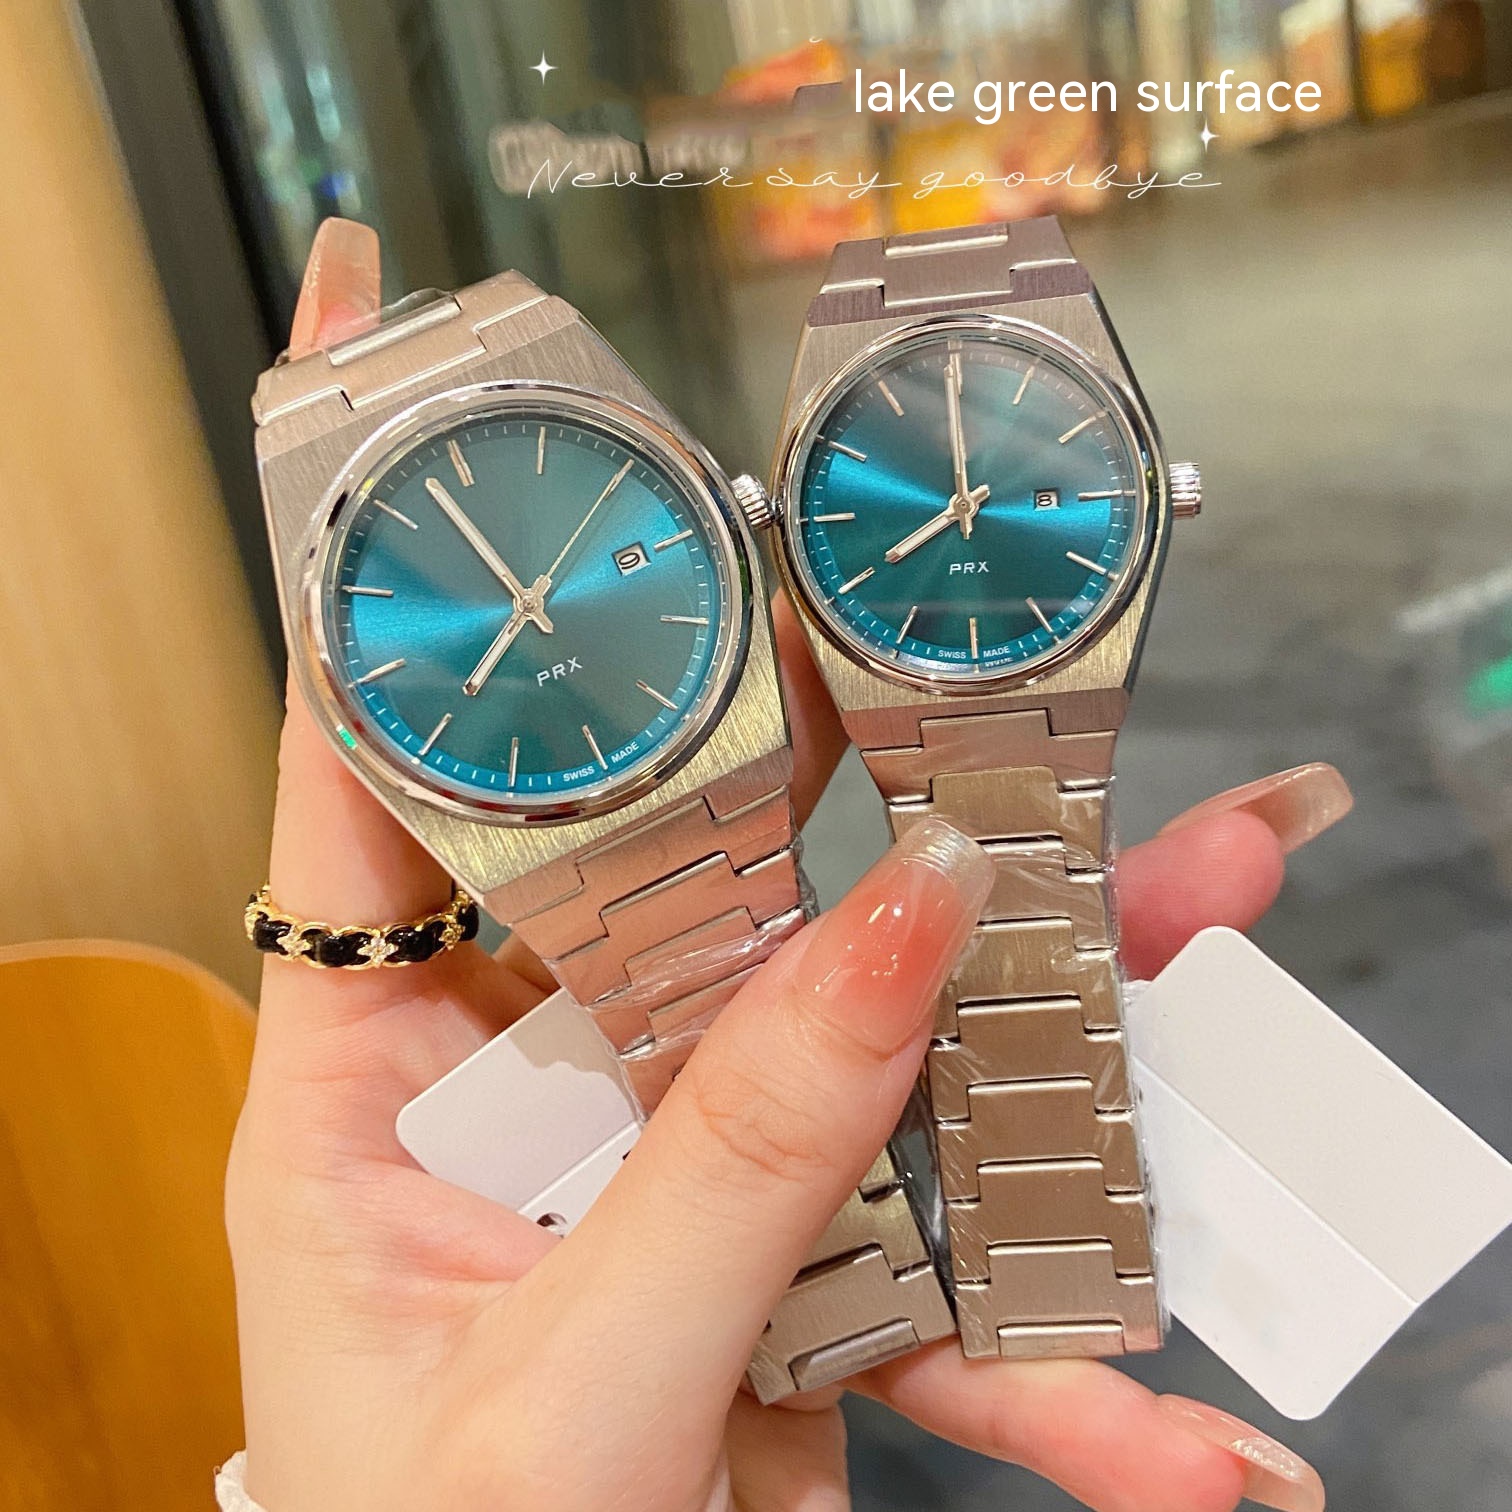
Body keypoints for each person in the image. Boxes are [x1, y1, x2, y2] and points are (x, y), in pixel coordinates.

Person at [221, 218, 1346, 1512]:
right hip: (570, 832)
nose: (530, 607)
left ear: (731, 518)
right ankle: (870, 1298)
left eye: (553, 582)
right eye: (500, 611)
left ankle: (913, 1291)